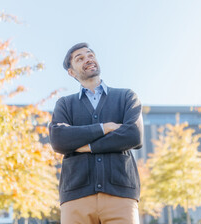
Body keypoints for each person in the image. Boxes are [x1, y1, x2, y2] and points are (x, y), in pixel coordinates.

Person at [49, 42, 143, 224]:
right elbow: (59, 140)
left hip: (120, 194)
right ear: (71, 72)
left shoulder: (126, 97)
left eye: (90, 55)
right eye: (80, 58)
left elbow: (134, 134)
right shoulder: (65, 104)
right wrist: (105, 128)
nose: (88, 59)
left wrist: (87, 146)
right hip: (76, 195)